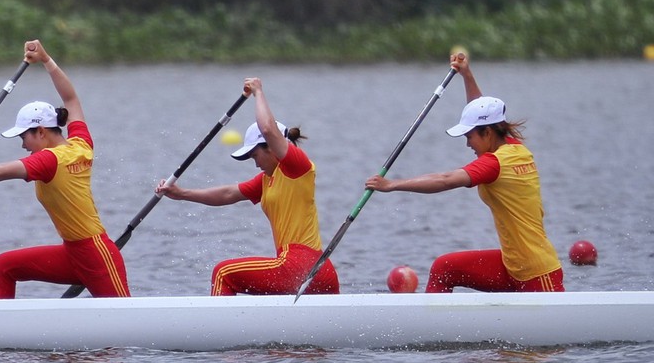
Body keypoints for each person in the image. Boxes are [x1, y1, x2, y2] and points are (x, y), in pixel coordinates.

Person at [0, 39, 129, 299]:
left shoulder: (49, 161)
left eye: (23, 137)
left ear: (42, 131)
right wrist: (46, 60)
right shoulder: (81, 143)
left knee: (119, 334)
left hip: (98, 255)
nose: (22, 145)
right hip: (72, 253)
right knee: (5, 265)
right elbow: (70, 98)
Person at [365, 52, 563, 293]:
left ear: (487, 133)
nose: (468, 143)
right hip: (513, 267)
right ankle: (433, 329)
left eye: (469, 136)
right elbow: (482, 111)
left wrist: (392, 185)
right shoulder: (513, 147)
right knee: (444, 268)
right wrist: (466, 75)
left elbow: (446, 180)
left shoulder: (494, 164)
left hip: (537, 273)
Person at [156, 77, 340, 296]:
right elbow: (228, 194)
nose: (254, 162)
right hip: (320, 271)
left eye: (255, 155)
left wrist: (258, 92)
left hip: (299, 266)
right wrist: (181, 193)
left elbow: (268, 129)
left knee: (223, 272)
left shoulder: (296, 166)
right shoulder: (266, 180)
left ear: (270, 148)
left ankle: (218, 330)